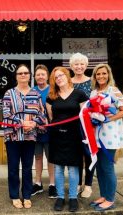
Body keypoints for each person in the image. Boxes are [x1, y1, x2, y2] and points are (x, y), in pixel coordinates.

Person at [2, 64, 46, 209]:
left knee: (27, 167)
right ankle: (14, 196)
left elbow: (42, 115)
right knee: (13, 167)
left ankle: (26, 195)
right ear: (16, 76)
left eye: (26, 73)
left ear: (29, 76)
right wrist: (22, 123)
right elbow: (6, 114)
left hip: (30, 137)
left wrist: (33, 123)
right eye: (20, 73)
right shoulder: (9, 93)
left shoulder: (36, 94)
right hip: (12, 137)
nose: (23, 75)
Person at [46, 67, 88, 212]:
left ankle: (72, 198)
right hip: (57, 137)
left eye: (61, 75)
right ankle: (59, 197)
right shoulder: (51, 97)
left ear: (67, 75)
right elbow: (52, 118)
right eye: (55, 77)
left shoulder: (80, 94)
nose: (59, 78)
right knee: (58, 169)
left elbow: (85, 117)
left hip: (75, 137)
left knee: (72, 169)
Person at [89, 64, 123, 212]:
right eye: (98, 74)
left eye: (103, 73)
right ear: (95, 76)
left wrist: (108, 119)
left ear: (108, 74)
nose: (101, 76)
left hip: (110, 136)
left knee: (107, 167)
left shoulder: (114, 91)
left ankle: (110, 199)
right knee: (99, 168)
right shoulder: (93, 93)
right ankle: (104, 195)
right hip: (96, 136)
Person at [69, 53, 94, 198]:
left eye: (81, 64)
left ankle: (88, 185)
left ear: (86, 65)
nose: (79, 66)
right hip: (72, 124)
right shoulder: (68, 82)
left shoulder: (92, 82)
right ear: (71, 66)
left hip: (89, 124)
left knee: (89, 155)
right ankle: (78, 183)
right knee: (76, 155)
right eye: (76, 64)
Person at [32, 64, 57, 198]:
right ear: (35, 77)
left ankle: (52, 184)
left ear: (47, 76)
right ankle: (38, 183)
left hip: (50, 130)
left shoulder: (53, 90)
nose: (40, 77)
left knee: (50, 157)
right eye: (38, 74)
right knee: (38, 157)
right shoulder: (32, 91)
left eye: (43, 74)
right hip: (36, 130)